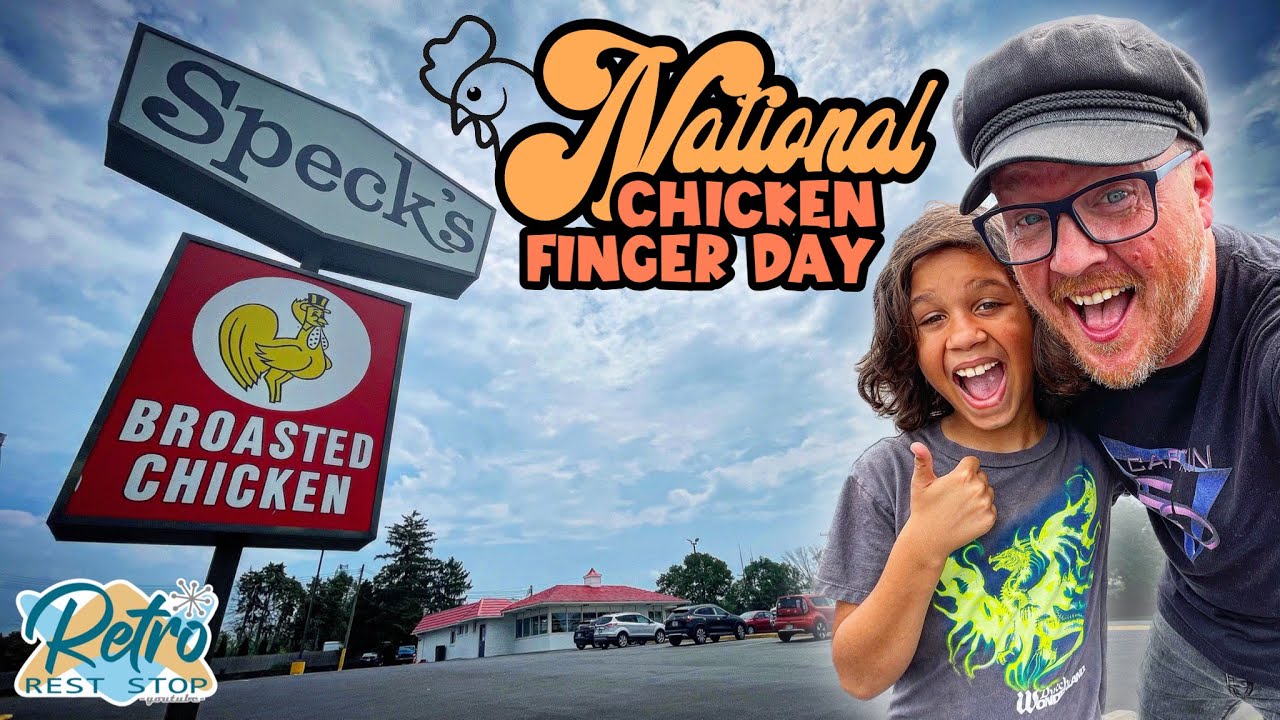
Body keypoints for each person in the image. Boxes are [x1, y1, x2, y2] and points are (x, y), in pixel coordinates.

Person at [951, 15, 1280, 720]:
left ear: (1197, 190)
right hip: (1194, 629)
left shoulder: (1266, 330)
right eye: (1028, 219)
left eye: (1114, 196)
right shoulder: (1058, 358)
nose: (1070, 260)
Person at [817, 202, 1123, 719]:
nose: (963, 335)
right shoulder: (887, 476)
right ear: (909, 347)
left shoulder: (1090, 448)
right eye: (932, 318)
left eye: (988, 304)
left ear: (1035, 312)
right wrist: (924, 542)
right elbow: (859, 675)